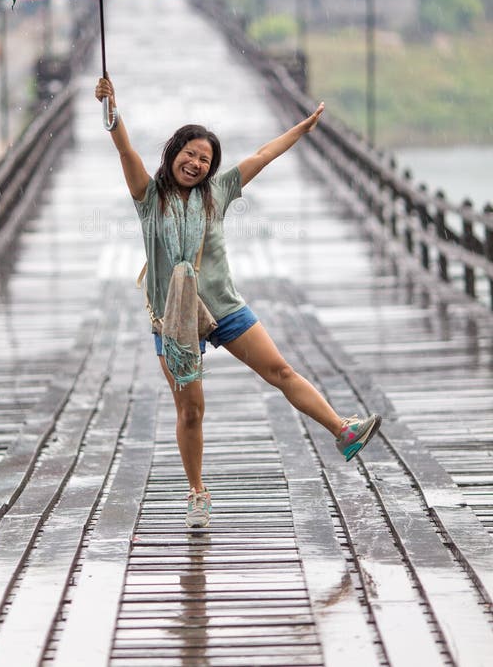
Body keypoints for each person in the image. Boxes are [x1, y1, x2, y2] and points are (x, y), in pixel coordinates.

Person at [95, 76, 381, 528]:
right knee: (190, 410)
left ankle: (342, 431)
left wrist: (301, 130)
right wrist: (112, 112)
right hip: (174, 321)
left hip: (224, 308)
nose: (195, 163)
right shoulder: (150, 197)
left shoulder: (217, 192)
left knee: (281, 370)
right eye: (189, 153)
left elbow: (262, 156)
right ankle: (196, 493)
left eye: (204, 159)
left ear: (212, 168)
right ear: (172, 155)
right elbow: (126, 153)